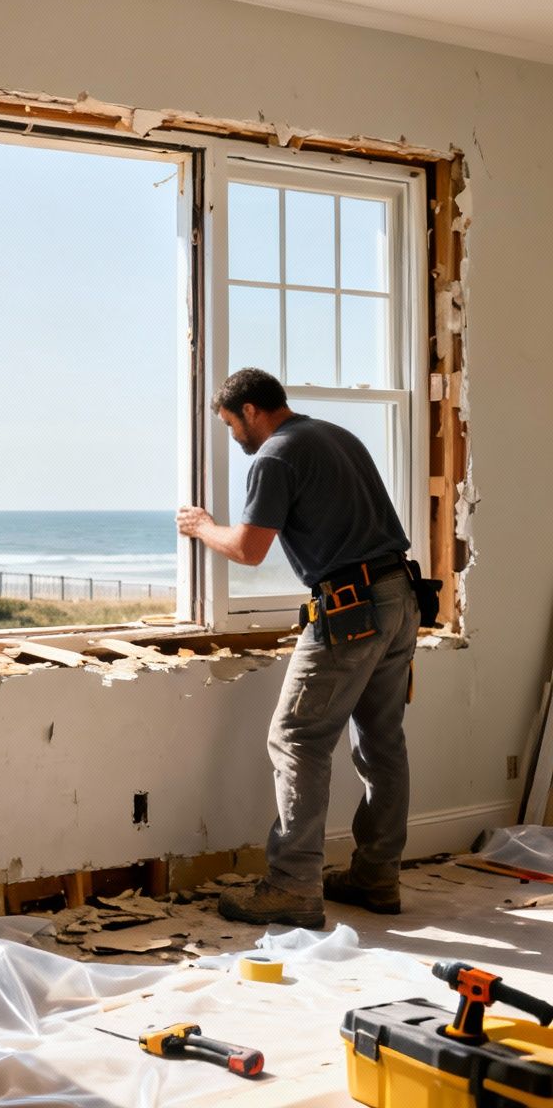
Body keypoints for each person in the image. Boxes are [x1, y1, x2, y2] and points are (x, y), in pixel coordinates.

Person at [176, 368, 421, 928]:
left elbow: (248, 549)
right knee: (381, 743)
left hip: (351, 608)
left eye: (231, 425)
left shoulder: (276, 455)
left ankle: (292, 887)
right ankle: (377, 877)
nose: (234, 437)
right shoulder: (336, 436)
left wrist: (201, 527)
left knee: (296, 738)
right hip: (399, 597)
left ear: (252, 411)